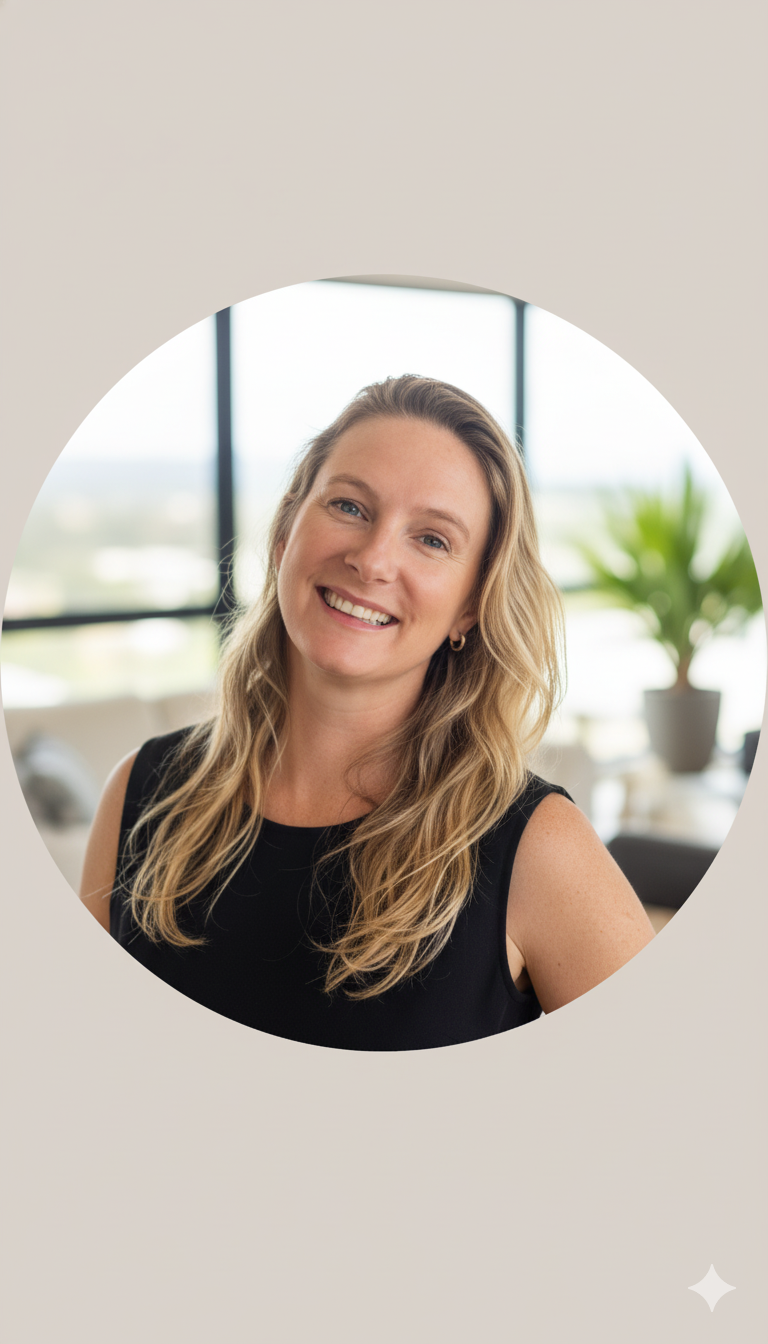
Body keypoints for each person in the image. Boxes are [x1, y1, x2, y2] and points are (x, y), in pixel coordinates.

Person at [80, 374, 654, 1049]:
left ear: (470, 606)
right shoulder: (140, 792)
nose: (373, 558)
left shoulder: (537, 848)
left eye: (433, 539)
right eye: (350, 506)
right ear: (286, 531)